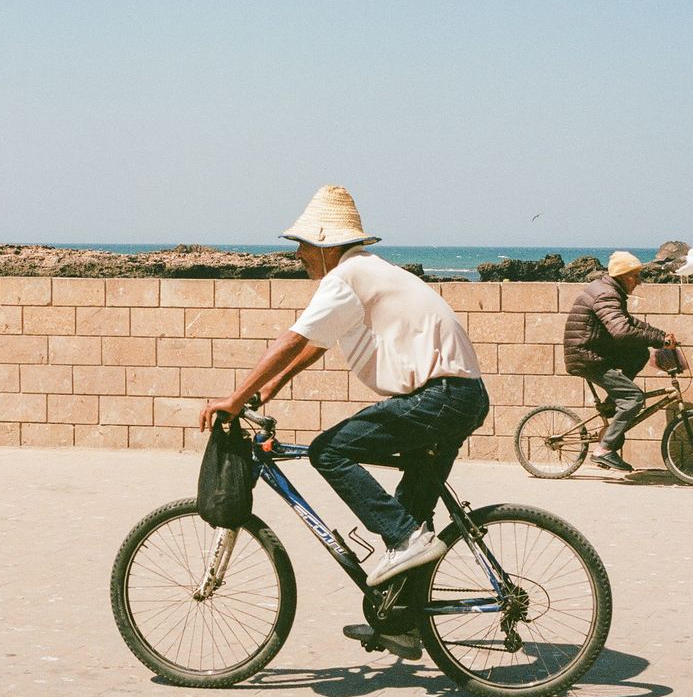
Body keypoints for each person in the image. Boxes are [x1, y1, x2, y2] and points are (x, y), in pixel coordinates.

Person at [199, 184, 489, 607]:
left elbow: (293, 338)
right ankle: (404, 619)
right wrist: (272, 386)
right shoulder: (368, 271)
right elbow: (316, 344)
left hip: (439, 397)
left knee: (328, 452)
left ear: (323, 244)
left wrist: (235, 397)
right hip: (461, 396)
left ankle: (406, 539)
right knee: (408, 515)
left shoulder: (345, 276)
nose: (296, 254)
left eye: (301, 245)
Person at [563, 251, 676, 472]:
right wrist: (659, 341)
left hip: (593, 350)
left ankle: (612, 403)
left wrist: (661, 335)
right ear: (623, 275)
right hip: (587, 356)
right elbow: (622, 331)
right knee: (634, 399)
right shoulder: (606, 294)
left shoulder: (610, 290)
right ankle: (603, 450)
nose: (639, 281)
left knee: (639, 354)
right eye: (635, 276)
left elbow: (629, 322)